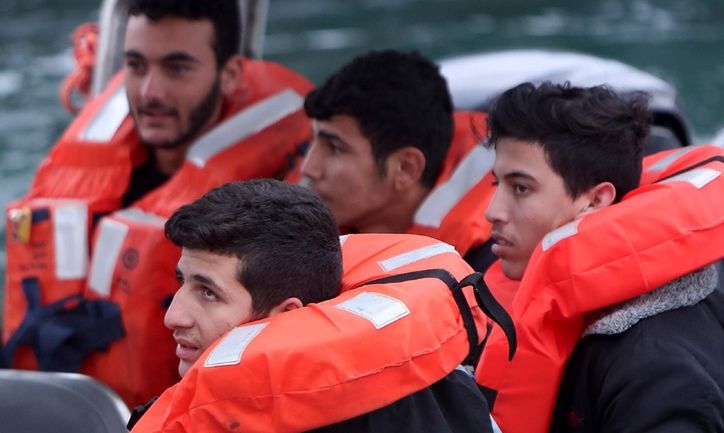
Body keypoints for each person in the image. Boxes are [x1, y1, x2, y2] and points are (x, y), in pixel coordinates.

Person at [2, 0, 313, 407]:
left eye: (177, 68)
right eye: (136, 65)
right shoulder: (85, 161)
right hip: (40, 398)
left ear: (230, 73)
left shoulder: (279, 192)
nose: (151, 91)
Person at [473, 82, 724, 432]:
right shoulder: (595, 317)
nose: (493, 212)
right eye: (497, 185)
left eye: (521, 188)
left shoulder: (657, 372)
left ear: (596, 201)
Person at [129, 179, 501, 432]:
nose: (172, 317)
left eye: (208, 293)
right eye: (183, 282)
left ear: (288, 317)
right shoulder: (450, 394)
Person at [297, 50, 496, 271]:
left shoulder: (483, 276)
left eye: (335, 148)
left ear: (405, 168)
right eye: (310, 143)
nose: (309, 168)